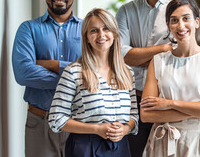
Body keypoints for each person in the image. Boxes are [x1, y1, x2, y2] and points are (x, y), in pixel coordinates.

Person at [140, 0, 200, 157]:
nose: (180, 26)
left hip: (198, 142)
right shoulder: (158, 61)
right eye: (174, 20)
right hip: (163, 142)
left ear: (196, 22)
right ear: (168, 26)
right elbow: (146, 115)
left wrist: (169, 104)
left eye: (186, 18)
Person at [48, 8, 138, 157]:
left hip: (120, 147)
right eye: (94, 31)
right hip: (84, 148)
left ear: (115, 34)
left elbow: (134, 115)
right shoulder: (73, 72)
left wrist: (126, 129)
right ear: (86, 38)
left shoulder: (127, 72)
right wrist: (96, 129)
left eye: (106, 29)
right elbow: (56, 119)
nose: (101, 35)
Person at [12, 0, 82, 156]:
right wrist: (75, 78)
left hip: (80, 122)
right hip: (40, 121)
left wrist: (50, 64)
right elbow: (23, 72)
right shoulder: (28, 29)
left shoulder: (88, 30)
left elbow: (97, 72)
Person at [116, 0, 175, 156]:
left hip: (167, 101)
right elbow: (122, 55)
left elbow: (177, 57)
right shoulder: (125, 11)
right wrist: (162, 49)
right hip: (133, 100)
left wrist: (138, 55)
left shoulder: (177, 10)